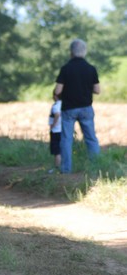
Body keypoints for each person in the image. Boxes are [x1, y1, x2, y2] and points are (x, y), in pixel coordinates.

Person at [54, 39, 101, 174]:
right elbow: (97, 90)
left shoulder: (65, 68)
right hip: (86, 108)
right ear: (84, 52)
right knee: (91, 138)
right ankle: (96, 169)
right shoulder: (91, 69)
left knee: (67, 139)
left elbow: (58, 91)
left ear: (71, 53)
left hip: (68, 109)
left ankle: (66, 170)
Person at [48, 90, 62, 173]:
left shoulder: (56, 105)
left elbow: (57, 114)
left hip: (56, 131)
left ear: (55, 96)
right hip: (63, 130)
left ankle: (57, 168)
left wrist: (53, 124)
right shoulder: (65, 104)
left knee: (57, 151)